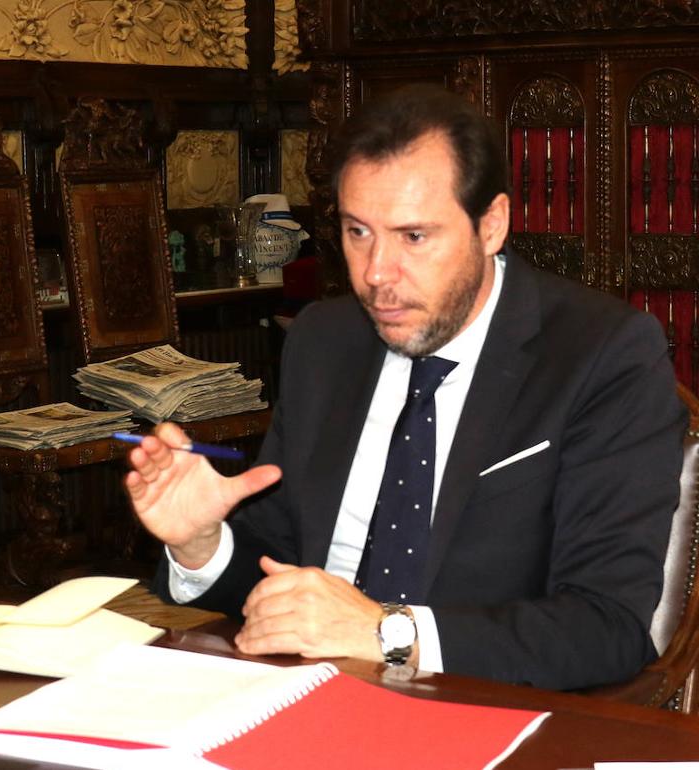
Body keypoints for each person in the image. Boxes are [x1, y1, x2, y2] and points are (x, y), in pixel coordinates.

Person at [125, 84, 686, 691]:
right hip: (299, 700)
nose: (375, 275)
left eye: (413, 237)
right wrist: (202, 544)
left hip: (477, 712)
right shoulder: (325, 341)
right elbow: (279, 578)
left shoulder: (601, 355)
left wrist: (386, 633)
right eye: (357, 232)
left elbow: (606, 627)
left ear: (491, 224)